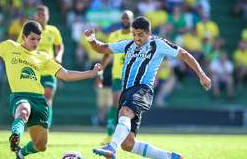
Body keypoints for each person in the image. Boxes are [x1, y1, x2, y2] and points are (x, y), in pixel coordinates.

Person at [0, 21, 102, 159]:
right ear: (23, 37)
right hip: (20, 96)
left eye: (38, 39)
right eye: (32, 38)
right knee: (23, 112)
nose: (36, 42)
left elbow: (66, 75)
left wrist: (91, 73)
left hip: (39, 101)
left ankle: (20, 153)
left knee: (40, 145)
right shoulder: (9, 47)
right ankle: (15, 136)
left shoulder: (44, 57)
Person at [85, 16, 211, 159]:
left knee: (125, 112)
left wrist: (202, 75)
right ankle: (170, 157)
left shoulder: (158, 44)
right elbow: (102, 48)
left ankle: (111, 148)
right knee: (127, 144)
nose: (136, 38)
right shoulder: (128, 44)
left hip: (143, 89)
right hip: (127, 92)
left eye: (140, 35)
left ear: (149, 33)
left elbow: (184, 55)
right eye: (134, 34)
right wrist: (91, 39)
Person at [18, 5, 64, 127]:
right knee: (32, 99)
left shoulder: (53, 30)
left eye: (43, 14)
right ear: (34, 16)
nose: (41, 17)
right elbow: (19, 46)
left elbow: (60, 45)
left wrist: (59, 56)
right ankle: (33, 124)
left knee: (48, 98)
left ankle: (46, 125)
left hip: (49, 69)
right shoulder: (27, 30)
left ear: (48, 16)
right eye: (39, 14)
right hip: (33, 70)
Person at [100, 10, 134, 145]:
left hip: (132, 76)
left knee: (129, 107)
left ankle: (126, 134)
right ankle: (109, 134)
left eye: (128, 18)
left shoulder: (136, 35)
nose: (125, 20)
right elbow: (107, 53)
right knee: (115, 102)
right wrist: (101, 70)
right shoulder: (114, 35)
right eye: (123, 18)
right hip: (118, 76)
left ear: (132, 20)